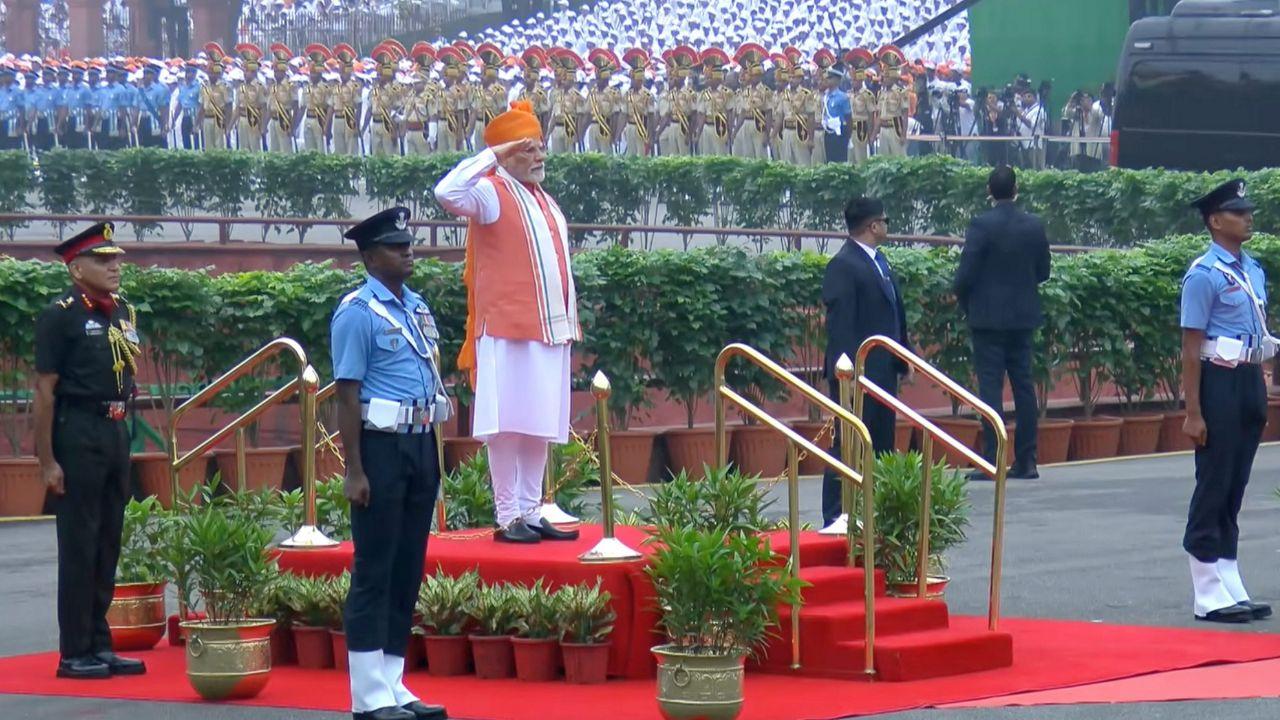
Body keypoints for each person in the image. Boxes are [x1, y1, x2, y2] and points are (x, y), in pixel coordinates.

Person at [434, 100, 582, 544]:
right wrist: (493, 156)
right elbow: (447, 192)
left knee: (539, 422)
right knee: (507, 424)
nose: (539, 158)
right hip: (505, 329)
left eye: (540, 148)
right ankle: (507, 514)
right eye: (526, 150)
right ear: (503, 154)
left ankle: (532, 510)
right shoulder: (490, 192)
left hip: (549, 329)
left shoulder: (545, 200)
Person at [330, 207, 451, 720]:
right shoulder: (357, 312)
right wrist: (354, 468)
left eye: (408, 243)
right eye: (395, 246)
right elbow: (346, 394)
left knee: (407, 569)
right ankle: (367, 695)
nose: (407, 251)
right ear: (369, 256)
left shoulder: (416, 306)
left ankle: (394, 682)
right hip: (380, 447)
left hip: (420, 440)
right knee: (374, 570)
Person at [34, 222, 146, 680]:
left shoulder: (121, 311)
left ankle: (100, 642)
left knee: (108, 541)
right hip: (77, 430)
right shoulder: (59, 315)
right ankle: (74, 649)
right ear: (77, 269)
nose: (115, 266)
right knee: (79, 544)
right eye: (104, 260)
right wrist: (46, 460)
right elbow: (44, 391)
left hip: (115, 431)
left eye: (117, 258)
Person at [1179, 179, 1273, 624]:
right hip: (1218, 381)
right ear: (1216, 221)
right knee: (1213, 481)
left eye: (1248, 210)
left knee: (1235, 485)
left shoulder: (1253, 270)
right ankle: (1205, 586)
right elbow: (1191, 347)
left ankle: (1228, 574)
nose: (1248, 217)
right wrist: (1193, 411)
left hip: (1249, 378)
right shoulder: (1204, 274)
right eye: (1238, 212)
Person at [820, 197, 911, 533]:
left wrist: (905, 355)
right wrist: (849, 375)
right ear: (874, 225)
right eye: (885, 220)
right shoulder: (844, 265)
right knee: (849, 442)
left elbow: (894, 315)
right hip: (857, 374)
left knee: (881, 443)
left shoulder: (879, 261)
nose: (887, 226)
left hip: (883, 371)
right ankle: (835, 515)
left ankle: (877, 511)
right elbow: (841, 327)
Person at [953, 166, 1050, 480]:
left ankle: (992, 461)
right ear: (1017, 189)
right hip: (1023, 318)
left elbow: (965, 275)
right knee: (1024, 388)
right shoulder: (1034, 225)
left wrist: (967, 302)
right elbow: (1044, 271)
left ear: (989, 191)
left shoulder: (981, 225)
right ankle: (1028, 460)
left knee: (991, 389)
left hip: (988, 319)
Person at [819, 65, 851, 163]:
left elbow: (848, 118)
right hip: (828, 131)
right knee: (829, 159)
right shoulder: (825, 96)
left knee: (840, 159)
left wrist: (848, 135)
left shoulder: (842, 97)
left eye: (830, 78)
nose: (827, 80)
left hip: (839, 131)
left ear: (837, 80)